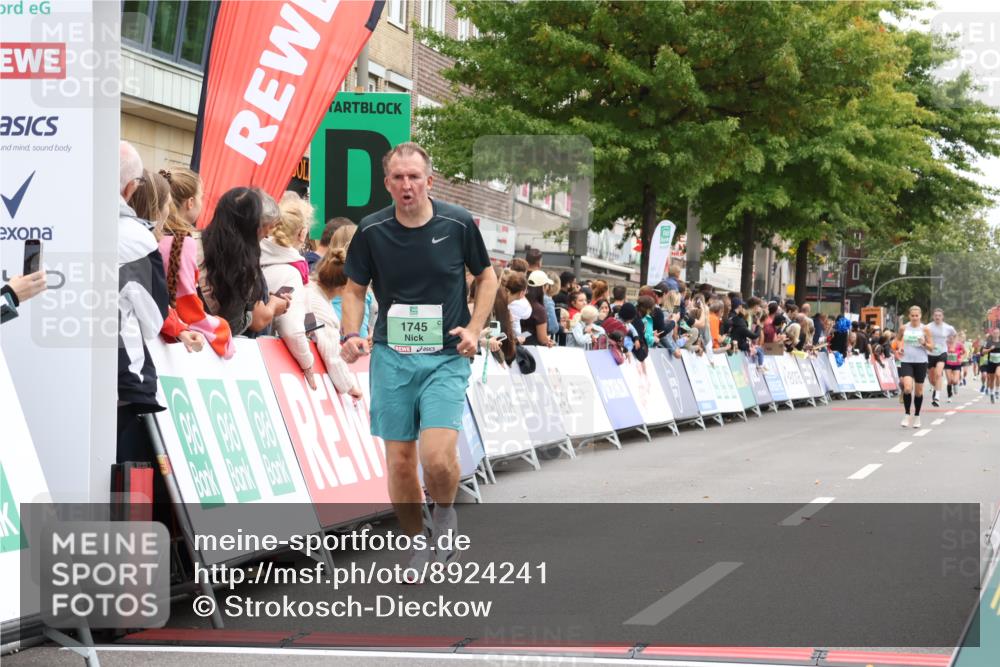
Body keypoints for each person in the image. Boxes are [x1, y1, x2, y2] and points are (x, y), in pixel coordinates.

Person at [339, 142, 497, 578]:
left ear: (429, 181)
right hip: (392, 355)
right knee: (401, 462)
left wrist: (475, 328)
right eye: (398, 177)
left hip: (446, 355)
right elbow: (353, 289)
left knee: (437, 458)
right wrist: (350, 333)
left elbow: (486, 278)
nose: (407, 185)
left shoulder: (458, 223)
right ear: (387, 183)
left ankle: (443, 514)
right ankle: (416, 544)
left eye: (414, 177)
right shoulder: (371, 230)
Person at [116, 141, 169, 482]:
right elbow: (153, 319)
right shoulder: (136, 237)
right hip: (123, 381)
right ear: (130, 187)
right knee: (127, 487)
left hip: (47, 371)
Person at [157, 167, 233, 358]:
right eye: (201, 197)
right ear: (190, 203)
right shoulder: (183, 243)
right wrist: (222, 330)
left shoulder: (151, 235)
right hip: (174, 338)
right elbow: (187, 305)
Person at [201, 188, 289, 337]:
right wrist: (260, 310)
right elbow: (233, 325)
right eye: (269, 226)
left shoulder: (192, 243)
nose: (268, 234)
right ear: (253, 225)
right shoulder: (241, 266)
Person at [261, 194, 320, 389]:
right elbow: (293, 330)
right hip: (267, 365)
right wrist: (308, 363)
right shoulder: (291, 273)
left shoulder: (253, 254)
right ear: (302, 234)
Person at [305, 248, 364, 399]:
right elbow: (330, 352)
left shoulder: (311, 291)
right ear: (344, 286)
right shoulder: (321, 308)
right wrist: (350, 386)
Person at [895, 306, 935, 428]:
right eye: (912, 316)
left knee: (918, 392)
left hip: (921, 362)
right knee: (907, 388)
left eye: (916, 316)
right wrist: (899, 348)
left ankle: (917, 416)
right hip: (906, 360)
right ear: (909, 316)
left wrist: (924, 343)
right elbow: (897, 341)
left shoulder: (925, 329)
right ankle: (907, 414)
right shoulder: (904, 328)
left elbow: (931, 347)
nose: (914, 318)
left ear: (920, 316)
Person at [927, 308, 957, 406]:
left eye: (939, 315)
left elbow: (954, 335)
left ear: (942, 317)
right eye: (936, 315)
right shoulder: (928, 327)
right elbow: (922, 337)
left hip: (942, 353)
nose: (937, 317)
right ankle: (935, 389)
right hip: (930, 353)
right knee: (932, 379)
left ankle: (937, 397)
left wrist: (952, 345)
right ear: (933, 317)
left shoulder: (948, 328)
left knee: (938, 374)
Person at [505, 272, 531, 343]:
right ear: (522, 293)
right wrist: (516, 340)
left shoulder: (503, 303)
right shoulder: (507, 309)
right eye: (526, 291)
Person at [944, 333, 963, 402]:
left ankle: (955, 384)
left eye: (952, 337)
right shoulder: (945, 344)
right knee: (949, 381)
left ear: (954, 337)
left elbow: (965, 352)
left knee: (954, 380)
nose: (951, 338)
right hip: (947, 364)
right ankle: (949, 397)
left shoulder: (959, 344)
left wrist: (961, 358)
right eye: (949, 337)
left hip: (956, 364)